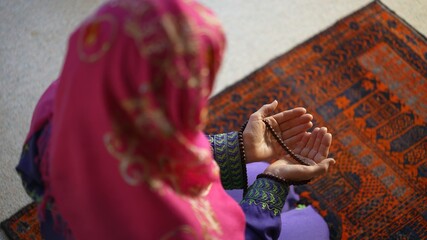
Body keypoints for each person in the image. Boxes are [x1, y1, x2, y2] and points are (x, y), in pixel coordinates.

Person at [16, 0, 336, 239]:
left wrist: (240, 148)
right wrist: (276, 183)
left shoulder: (59, 104)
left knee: (252, 170)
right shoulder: (180, 226)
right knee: (315, 227)